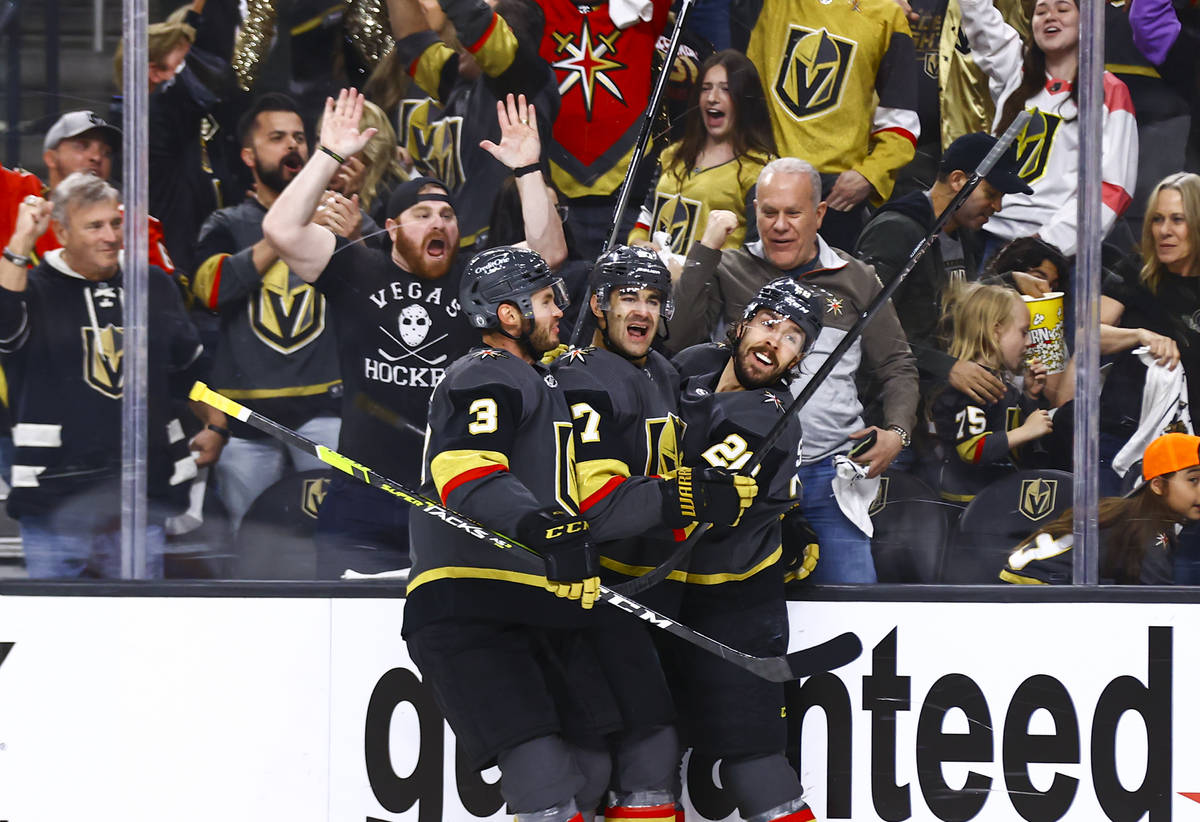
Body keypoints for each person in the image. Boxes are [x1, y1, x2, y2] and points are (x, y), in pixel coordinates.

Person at [404, 246, 675, 822]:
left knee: (592, 770)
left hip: (532, 602)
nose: (561, 311)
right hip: (467, 603)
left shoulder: (543, 382)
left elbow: (573, 500)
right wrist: (543, 528)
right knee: (544, 784)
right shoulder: (484, 370)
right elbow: (467, 470)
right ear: (508, 315)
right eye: (547, 300)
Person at [261, 88, 566, 576]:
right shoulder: (356, 267)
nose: (438, 222)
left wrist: (528, 171)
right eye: (422, 215)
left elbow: (546, 254)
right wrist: (328, 154)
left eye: (446, 214)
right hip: (361, 489)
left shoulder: (475, 279)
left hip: (446, 493)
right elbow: (281, 230)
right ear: (391, 228)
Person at [669, 157, 919, 583]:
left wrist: (897, 432)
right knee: (731, 599)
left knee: (853, 601)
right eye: (768, 213)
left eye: (793, 213)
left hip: (827, 471)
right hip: (741, 471)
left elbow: (897, 364)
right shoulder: (730, 269)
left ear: (820, 214)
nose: (779, 225)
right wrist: (707, 248)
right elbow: (678, 341)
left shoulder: (858, 278)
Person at [0, 175, 224, 578]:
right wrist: (20, 243)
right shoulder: (32, 289)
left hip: (140, 495)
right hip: (55, 497)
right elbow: (4, 330)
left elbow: (191, 370)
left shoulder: (152, 283)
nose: (110, 236)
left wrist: (217, 425)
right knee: (58, 631)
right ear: (61, 232)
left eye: (115, 223)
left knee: (135, 632)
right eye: (94, 226)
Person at [669, 277, 823, 822]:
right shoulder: (693, 362)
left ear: (801, 357)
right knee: (644, 758)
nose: (774, 341)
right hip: (663, 596)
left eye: (792, 338)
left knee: (752, 764)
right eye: (768, 324)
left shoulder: (770, 415)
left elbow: (687, 487)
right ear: (742, 323)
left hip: (734, 607)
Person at [192, 92, 353, 534]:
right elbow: (211, 289)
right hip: (245, 419)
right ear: (248, 155)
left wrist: (355, 232)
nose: (293, 147)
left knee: (334, 535)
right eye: (277, 137)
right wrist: (283, 234)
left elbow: (374, 292)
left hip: (326, 411)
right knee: (251, 543)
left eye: (300, 138)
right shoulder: (225, 223)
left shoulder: (339, 216)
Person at [855, 132, 1032, 402]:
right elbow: (867, 328)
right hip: (884, 400)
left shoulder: (965, 234)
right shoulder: (896, 231)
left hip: (933, 399)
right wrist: (945, 366)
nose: (997, 206)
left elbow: (950, 300)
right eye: (992, 194)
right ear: (958, 180)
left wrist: (1007, 281)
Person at [958, 0, 1138, 258]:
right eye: (1041, 12)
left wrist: (1046, 244)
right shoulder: (1015, 70)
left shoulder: (1109, 91)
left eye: (1063, 9)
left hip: (1056, 252)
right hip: (987, 234)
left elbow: (1112, 188)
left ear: (1087, 21)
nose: (1050, 17)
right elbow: (977, 12)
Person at [739, 0, 921, 250]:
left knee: (829, 288)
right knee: (752, 285)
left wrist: (868, 175)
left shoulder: (887, 15)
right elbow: (743, 95)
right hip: (766, 178)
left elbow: (901, 121)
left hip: (838, 194)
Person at [387, 0, 558, 250]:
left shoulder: (523, 80)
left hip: (512, 245)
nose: (461, 37)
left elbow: (475, 22)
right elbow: (412, 41)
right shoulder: (460, 81)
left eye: (472, 33)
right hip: (459, 246)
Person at [1099, 172, 1200, 496]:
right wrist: (1138, 335)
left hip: (1188, 451)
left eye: (1177, 220)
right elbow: (1088, 334)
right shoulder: (1135, 270)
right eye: (1157, 219)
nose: (1164, 231)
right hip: (1123, 435)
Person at [1000, 432, 1200, 585]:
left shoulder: (1130, 513)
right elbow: (1160, 609)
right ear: (1157, 485)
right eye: (1194, 480)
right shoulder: (1148, 530)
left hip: (1015, 590)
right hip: (1033, 598)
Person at [627, 50, 775, 256]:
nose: (712, 98)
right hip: (655, 282)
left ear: (744, 99)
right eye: (706, 89)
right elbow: (647, 217)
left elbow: (757, 251)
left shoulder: (761, 170)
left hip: (714, 284)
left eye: (725, 89)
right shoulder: (673, 154)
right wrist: (639, 243)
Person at [0, 111, 176, 277]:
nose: (96, 157)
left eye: (105, 152)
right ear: (51, 158)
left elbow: (166, 296)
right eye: (82, 146)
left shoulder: (134, 225)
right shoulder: (17, 194)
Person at [930, 283, 1052, 503]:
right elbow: (972, 449)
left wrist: (1030, 397)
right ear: (996, 330)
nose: (1029, 343)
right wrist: (1026, 431)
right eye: (1024, 332)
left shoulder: (998, 380)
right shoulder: (971, 388)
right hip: (968, 505)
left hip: (995, 498)